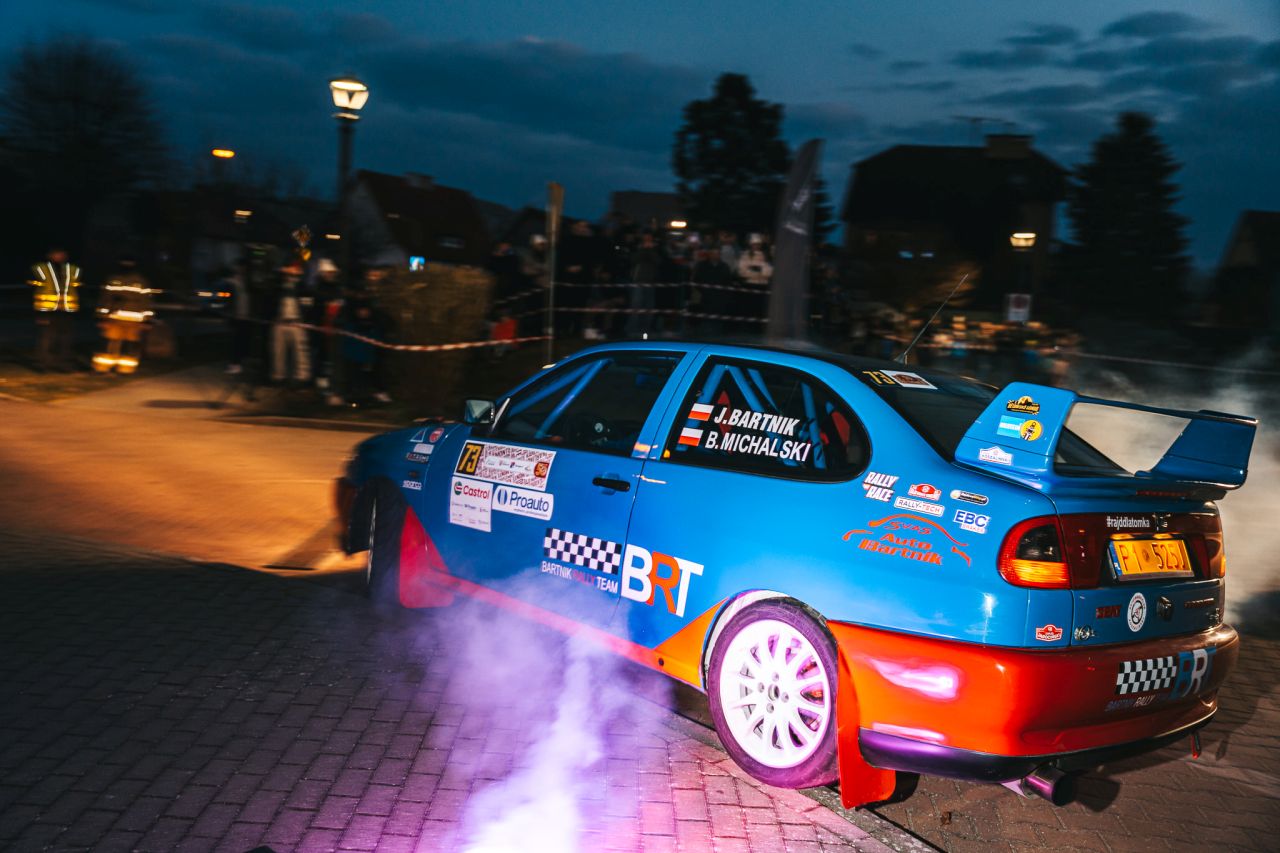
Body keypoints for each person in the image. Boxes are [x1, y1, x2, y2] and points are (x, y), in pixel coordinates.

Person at [93, 257, 154, 374]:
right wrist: (101, 317)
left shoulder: (141, 282)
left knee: (129, 345)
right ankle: (102, 367)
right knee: (110, 344)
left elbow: (146, 302)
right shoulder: (114, 279)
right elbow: (105, 299)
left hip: (132, 321)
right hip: (114, 319)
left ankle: (124, 369)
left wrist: (147, 321)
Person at [28, 247, 82, 370]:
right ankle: (44, 363)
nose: (60, 256)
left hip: (67, 310)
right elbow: (31, 286)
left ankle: (63, 363)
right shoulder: (40, 268)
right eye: (57, 254)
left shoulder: (73, 269)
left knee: (65, 338)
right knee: (46, 337)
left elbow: (77, 288)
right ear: (49, 255)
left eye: (62, 253)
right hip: (46, 310)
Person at [269, 262, 311, 386]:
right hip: (280, 322)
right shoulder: (278, 286)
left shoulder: (302, 287)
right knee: (278, 351)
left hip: (297, 322)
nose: (291, 275)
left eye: (294, 273)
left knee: (300, 352)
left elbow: (307, 300)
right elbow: (271, 296)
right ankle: (278, 376)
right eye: (288, 273)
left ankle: (302, 377)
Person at [223, 260, 251, 375]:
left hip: (245, 317)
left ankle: (237, 364)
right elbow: (228, 299)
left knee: (241, 341)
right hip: (236, 316)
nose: (241, 269)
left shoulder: (246, 282)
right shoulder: (232, 282)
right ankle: (234, 364)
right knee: (234, 341)